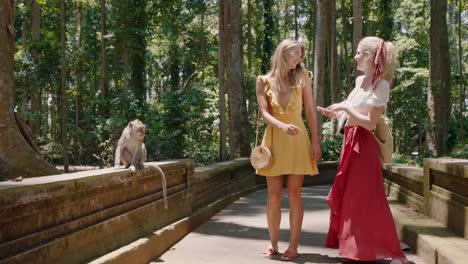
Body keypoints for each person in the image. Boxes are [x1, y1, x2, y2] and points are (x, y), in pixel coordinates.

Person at [317, 36, 408, 264]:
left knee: (362, 197)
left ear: (370, 56)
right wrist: (337, 113)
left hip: (364, 145)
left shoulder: (382, 85)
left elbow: (368, 122)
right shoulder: (360, 82)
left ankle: (364, 250)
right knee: (349, 196)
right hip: (349, 141)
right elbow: (354, 112)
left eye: (359, 53)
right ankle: (352, 250)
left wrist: (346, 106)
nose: (355, 56)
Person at [256, 39, 322, 261]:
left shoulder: (303, 77)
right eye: (295, 53)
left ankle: (293, 246)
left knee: (294, 194)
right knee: (273, 196)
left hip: (298, 140)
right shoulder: (263, 81)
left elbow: (311, 112)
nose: (299, 58)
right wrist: (281, 125)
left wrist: (315, 142)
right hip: (274, 140)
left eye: (301, 55)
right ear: (282, 54)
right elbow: (264, 113)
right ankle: (273, 244)